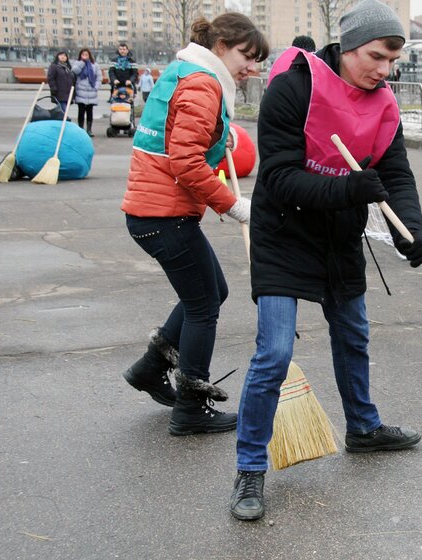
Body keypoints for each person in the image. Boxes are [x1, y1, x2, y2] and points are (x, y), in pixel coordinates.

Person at [230, 0, 422, 522]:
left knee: (353, 335)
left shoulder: (384, 104)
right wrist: (350, 189)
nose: (383, 71)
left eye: (392, 62)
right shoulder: (293, 87)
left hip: (338, 237)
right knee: (274, 353)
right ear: (348, 47)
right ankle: (251, 466)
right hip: (282, 234)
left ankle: (363, 428)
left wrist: (411, 233)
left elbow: (396, 176)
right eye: (375, 57)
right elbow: (277, 177)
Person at [121, 13, 269, 437]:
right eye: (247, 55)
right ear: (221, 45)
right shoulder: (204, 84)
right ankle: (190, 407)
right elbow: (186, 161)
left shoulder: (187, 71)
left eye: (257, 59)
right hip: (162, 215)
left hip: (154, 211)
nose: (252, 67)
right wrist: (233, 205)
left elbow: (185, 142)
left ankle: (150, 369)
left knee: (211, 292)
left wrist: (220, 142)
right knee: (204, 305)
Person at [71, 48, 101, 137]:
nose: (85, 56)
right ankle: (80, 129)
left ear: (89, 55)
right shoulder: (77, 64)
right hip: (81, 90)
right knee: (81, 111)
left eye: (86, 54)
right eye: (83, 54)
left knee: (89, 111)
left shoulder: (94, 65)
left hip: (91, 91)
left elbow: (99, 77)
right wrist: (82, 62)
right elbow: (75, 71)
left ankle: (89, 129)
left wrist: (96, 87)